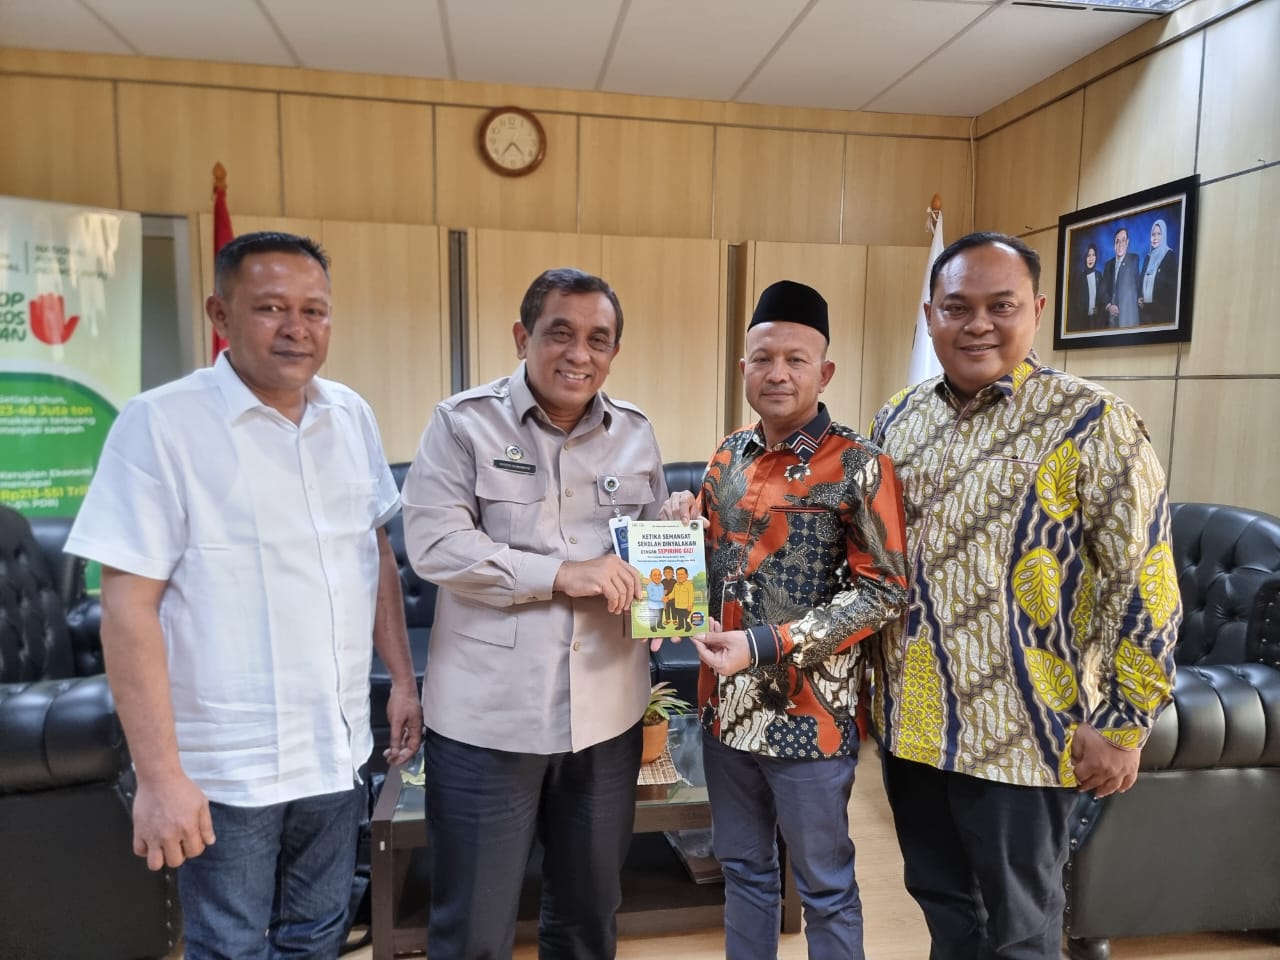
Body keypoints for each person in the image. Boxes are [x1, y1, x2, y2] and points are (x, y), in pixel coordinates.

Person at [64, 231, 423, 960]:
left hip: (335, 748)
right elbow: (127, 607)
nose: (297, 328)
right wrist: (159, 779)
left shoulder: (348, 415)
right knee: (229, 945)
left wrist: (404, 682)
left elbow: (376, 555)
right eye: (271, 308)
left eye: (314, 310)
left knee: (318, 935)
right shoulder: (160, 424)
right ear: (220, 314)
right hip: (226, 766)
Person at [870, 232, 1179, 960]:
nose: (977, 324)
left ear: (1036, 310)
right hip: (914, 727)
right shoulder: (898, 417)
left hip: (1026, 737)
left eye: (1000, 306)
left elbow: (1146, 580)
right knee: (946, 913)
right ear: (930, 315)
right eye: (957, 307)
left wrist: (1125, 724)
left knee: (1021, 930)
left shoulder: (1094, 422)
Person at [400, 267, 669, 959]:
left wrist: (674, 539)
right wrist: (561, 575)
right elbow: (435, 545)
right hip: (488, 722)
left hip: (607, 719)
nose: (579, 354)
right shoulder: (463, 423)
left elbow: (650, 565)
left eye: (598, 340)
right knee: (474, 929)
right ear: (523, 337)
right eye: (560, 333)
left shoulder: (636, 433)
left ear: (614, 352)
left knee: (588, 920)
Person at [659, 280, 909, 960]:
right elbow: (709, 574)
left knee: (824, 887)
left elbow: (884, 591)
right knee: (743, 871)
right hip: (724, 712)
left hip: (811, 718)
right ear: (744, 368)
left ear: (824, 372)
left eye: (796, 360)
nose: (778, 373)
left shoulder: (859, 466)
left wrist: (767, 643)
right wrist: (678, 531)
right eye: (763, 359)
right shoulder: (726, 456)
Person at [1099, 226, 1141, 328]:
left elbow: (1138, 285)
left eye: (1123, 240)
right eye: (1117, 241)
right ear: (1114, 245)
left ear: (1127, 242)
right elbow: (1102, 290)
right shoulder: (1108, 265)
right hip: (1111, 322)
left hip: (1128, 319)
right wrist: (1109, 306)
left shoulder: (1134, 260)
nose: (1120, 244)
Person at [1139, 218, 1178, 327]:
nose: (1155, 237)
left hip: (1161, 316)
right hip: (1145, 316)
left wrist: (1149, 306)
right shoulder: (1148, 257)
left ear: (1164, 235)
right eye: (1153, 234)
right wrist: (1139, 297)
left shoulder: (1169, 256)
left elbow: (1169, 293)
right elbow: (1141, 282)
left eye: (1159, 234)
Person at [1068, 243, 1102, 331]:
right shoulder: (1079, 278)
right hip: (1082, 322)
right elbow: (1076, 305)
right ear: (1084, 258)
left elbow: (1101, 298)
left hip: (1097, 321)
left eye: (1093, 255)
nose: (1091, 258)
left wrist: (1098, 309)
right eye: (1088, 255)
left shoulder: (1099, 275)